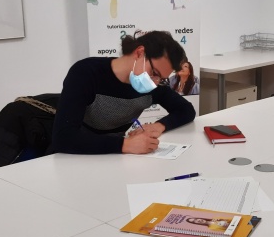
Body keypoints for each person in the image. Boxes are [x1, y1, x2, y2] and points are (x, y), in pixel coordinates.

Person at [51, 30, 196, 155]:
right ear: (139, 53)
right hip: (75, 156)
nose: (155, 82)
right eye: (154, 73)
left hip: (115, 157)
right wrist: (125, 145)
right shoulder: (86, 73)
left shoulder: (154, 85)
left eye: (162, 79)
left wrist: (158, 126)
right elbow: (63, 138)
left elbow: (186, 110)